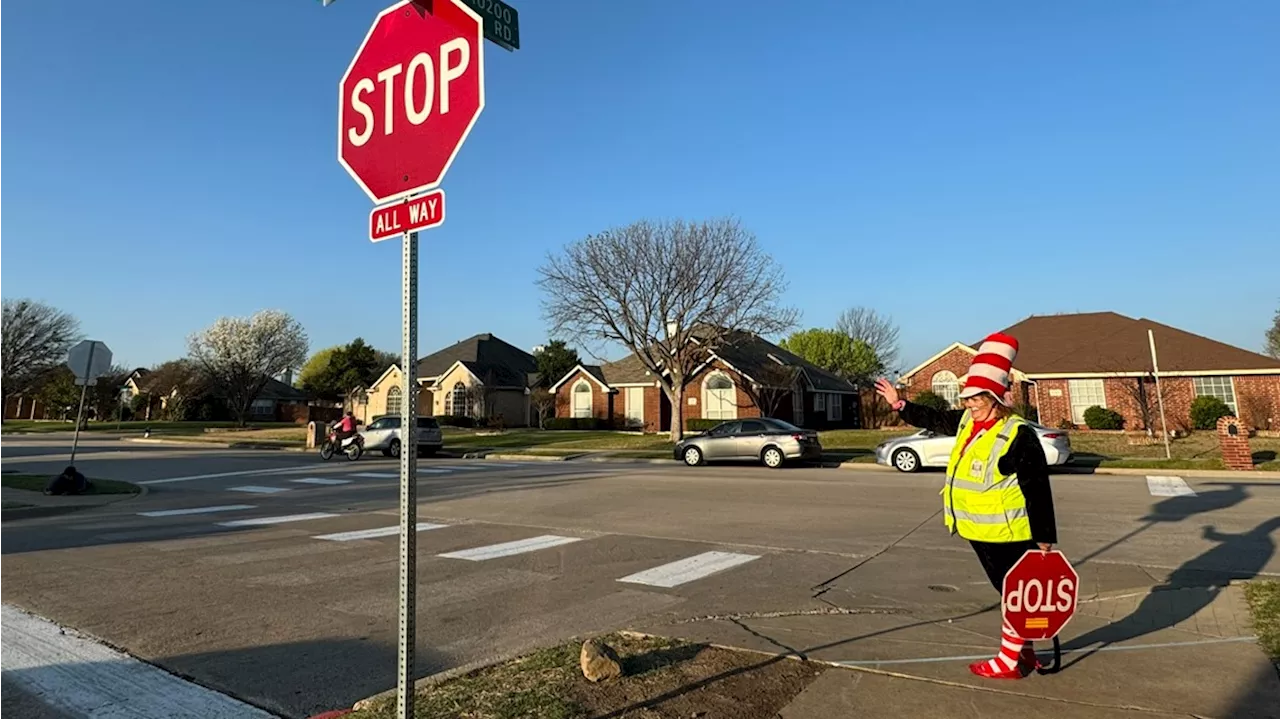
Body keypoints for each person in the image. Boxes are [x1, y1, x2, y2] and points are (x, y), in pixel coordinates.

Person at [874, 332, 1057, 680]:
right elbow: (934, 418)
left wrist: (1045, 536)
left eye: (975, 398)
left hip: (1008, 533)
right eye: (968, 398)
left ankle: (1008, 661)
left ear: (995, 399)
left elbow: (1037, 487)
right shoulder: (967, 422)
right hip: (978, 529)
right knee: (1013, 595)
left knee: (1013, 597)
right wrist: (900, 404)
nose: (969, 404)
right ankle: (1025, 652)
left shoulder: (1017, 434)